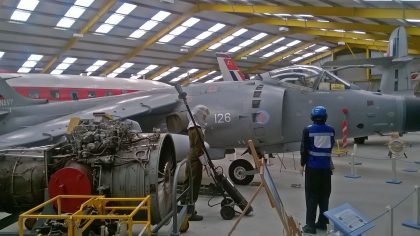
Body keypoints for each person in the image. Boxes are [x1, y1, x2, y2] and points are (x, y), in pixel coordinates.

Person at [300, 105, 335, 234]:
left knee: (311, 197)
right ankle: (322, 223)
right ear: (325, 117)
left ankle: (310, 226)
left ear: (312, 117)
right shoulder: (331, 130)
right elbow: (330, 147)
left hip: (313, 169)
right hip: (326, 169)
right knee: (324, 196)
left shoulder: (307, 130)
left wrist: (302, 164)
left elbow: (304, 149)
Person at [182, 104, 210, 221]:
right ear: (198, 115)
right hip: (196, 159)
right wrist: (205, 163)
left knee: (188, 182)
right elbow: (199, 149)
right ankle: (190, 212)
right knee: (194, 183)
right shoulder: (197, 129)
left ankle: (184, 207)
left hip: (191, 157)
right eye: (203, 116)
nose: (204, 119)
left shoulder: (191, 127)